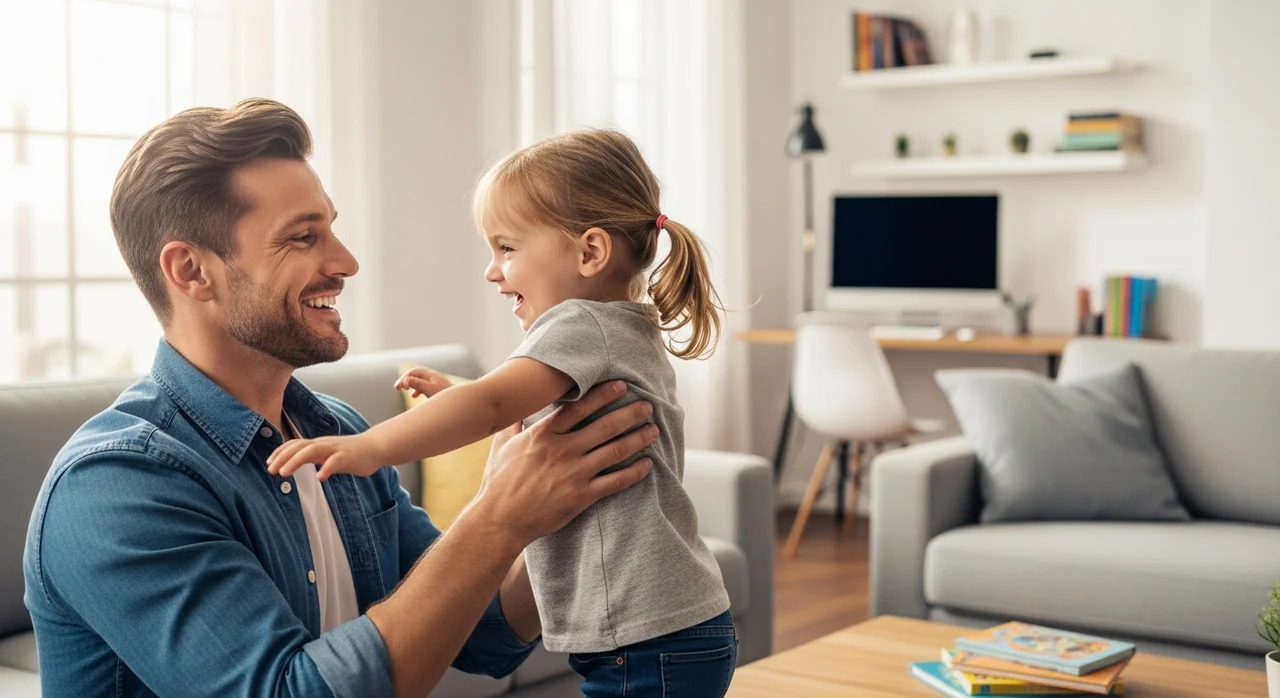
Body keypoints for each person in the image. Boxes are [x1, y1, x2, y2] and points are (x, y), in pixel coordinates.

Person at [22, 99, 657, 698]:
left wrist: (561, 499)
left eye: (332, 229)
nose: (347, 262)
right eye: (303, 237)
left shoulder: (336, 433)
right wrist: (498, 518)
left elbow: (486, 634)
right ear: (191, 271)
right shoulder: (116, 485)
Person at [267, 129, 738, 698]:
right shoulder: (618, 329)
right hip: (666, 629)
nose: (493, 271)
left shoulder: (581, 324)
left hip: (647, 636)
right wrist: (458, 395)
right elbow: (516, 400)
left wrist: (369, 447)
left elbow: (495, 403)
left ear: (590, 251)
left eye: (507, 249)